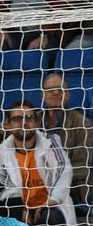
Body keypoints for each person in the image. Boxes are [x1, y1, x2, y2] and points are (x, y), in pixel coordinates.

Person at [41, 73, 93, 205]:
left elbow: (81, 166)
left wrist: (55, 184)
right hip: (34, 183)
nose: (56, 93)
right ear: (43, 94)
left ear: (68, 95)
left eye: (61, 89)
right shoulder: (32, 121)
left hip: (71, 186)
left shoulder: (83, 124)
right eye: (50, 89)